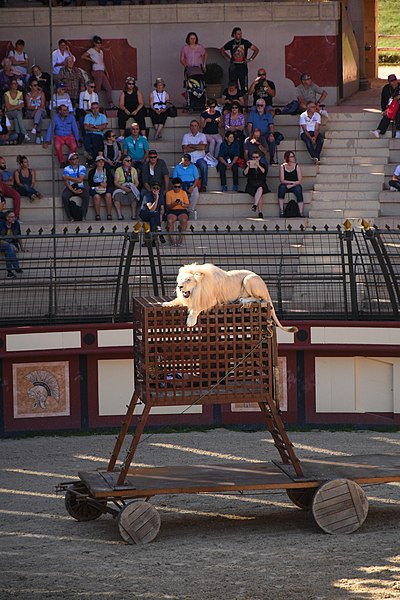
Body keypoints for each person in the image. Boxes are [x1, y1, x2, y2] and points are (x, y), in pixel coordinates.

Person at [220, 27, 259, 93]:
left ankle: (245, 102)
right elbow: (221, 50)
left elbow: (256, 50)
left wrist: (250, 59)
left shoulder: (245, 42)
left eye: (240, 34)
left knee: (244, 86)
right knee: (233, 85)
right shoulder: (231, 43)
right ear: (234, 35)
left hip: (243, 66)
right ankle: (235, 101)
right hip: (233, 67)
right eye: (238, 34)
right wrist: (227, 58)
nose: (240, 35)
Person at [81, 36, 114, 109]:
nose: (99, 44)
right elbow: (83, 56)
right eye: (97, 43)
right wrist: (91, 60)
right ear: (94, 43)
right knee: (97, 88)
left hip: (101, 70)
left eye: (100, 43)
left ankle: (111, 103)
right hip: (96, 70)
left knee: (108, 88)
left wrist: (106, 71)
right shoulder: (91, 50)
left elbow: (102, 62)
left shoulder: (101, 51)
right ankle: (93, 104)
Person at [62, 152, 89, 222]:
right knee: (64, 196)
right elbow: (66, 183)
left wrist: (68, 177)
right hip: (70, 187)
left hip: (80, 187)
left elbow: (80, 180)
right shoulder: (66, 169)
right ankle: (70, 217)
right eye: (74, 159)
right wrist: (74, 191)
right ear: (70, 160)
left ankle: (83, 215)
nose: (76, 160)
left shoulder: (82, 167)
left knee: (86, 196)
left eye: (77, 158)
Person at [370, 74, 400, 138]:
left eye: (395, 80)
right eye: (392, 81)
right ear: (389, 82)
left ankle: (398, 131)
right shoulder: (386, 88)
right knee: (388, 114)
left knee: (397, 112)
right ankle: (378, 131)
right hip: (390, 108)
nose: (394, 82)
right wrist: (383, 110)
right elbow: (383, 100)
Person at [247, 98, 276, 165]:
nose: (259, 107)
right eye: (258, 105)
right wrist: (250, 134)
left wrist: (271, 134)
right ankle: (250, 161)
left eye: (261, 105)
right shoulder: (252, 113)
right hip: (255, 135)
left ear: (264, 106)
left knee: (272, 140)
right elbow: (249, 124)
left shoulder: (268, 114)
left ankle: (271, 159)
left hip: (266, 134)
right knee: (249, 141)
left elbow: (271, 125)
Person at [182, 120, 208, 192]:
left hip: (200, 158)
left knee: (204, 166)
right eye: (192, 125)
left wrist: (191, 146)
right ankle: (188, 186)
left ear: (198, 127)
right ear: (190, 127)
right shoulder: (186, 136)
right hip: (189, 159)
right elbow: (185, 149)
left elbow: (203, 148)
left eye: (195, 125)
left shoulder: (202, 136)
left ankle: (203, 186)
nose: (193, 127)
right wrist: (197, 146)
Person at [113, 156, 140, 220]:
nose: (129, 162)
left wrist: (133, 188)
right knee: (116, 196)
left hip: (131, 186)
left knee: (134, 195)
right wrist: (123, 188)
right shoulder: (118, 170)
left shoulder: (133, 170)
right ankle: (119, 215)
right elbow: (116, 182)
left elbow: (136, 181)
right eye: (127, 161)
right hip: (121, 187)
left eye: (130, 160)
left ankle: (133, 215)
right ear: (123, 161)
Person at [278, 151, 304, 217]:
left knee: (298, 189)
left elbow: (300, 180)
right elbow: (282, 180)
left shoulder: (297, 166)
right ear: (287, 158)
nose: (293, 158)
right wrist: (289, 183)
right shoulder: (282, 166)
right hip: (286, 184)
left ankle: (300, 212)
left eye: (293, 156)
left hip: (294, 184)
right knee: (281, 188)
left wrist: (292, 184)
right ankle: (281, 210)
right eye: (291, 157)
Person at [244, 151, 269, 219]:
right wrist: (248, 166)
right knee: (259, 194)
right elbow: (245, 174)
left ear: (259, 158)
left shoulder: (262, 165)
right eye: (253, 157)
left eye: (256, 157)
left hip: (261, 183)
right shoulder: (249, 165)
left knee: (260, 189)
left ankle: (255, 205)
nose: (255, 159)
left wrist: (258, 166)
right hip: (251, 184)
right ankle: (260, 212)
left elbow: (264, 172)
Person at [4, 78, 29, 144]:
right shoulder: (6, 94)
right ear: (10, 85)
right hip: (8, 114)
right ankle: (24, 133)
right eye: (13, 84)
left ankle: (18, 135)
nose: (15, 85)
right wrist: (17, 106)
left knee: (16, 118)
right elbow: (8, 108)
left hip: (17, 113)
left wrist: (12, 106)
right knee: (17, 114)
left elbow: (21, 107)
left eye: (16, 83)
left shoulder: (20, 93)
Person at [165, 177, 189, 247]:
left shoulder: (184, 193)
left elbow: (187, 205)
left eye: (179, 187)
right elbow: (168, 206)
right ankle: (172, 241)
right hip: (172, 210)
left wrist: (182, 204)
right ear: (173, 186)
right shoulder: (169, 193)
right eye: (176, 187)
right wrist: (175, 204)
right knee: (170, 220)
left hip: (182, 210)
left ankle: (180, 240)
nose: (177, 188)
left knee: (184, 220)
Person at [88, 156, 114, 220]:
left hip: (106, 187)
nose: (101, 162)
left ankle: (109, 214)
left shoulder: (107, 171)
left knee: (108, 195)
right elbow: (90, 183)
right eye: (99, 161)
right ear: (96, 163)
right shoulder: (92, 172)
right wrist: (99, 184)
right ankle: (97, 215)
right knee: (97, 196)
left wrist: (105, 184)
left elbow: (111, 182)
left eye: (102, 161)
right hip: (95, 187)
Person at [0, 210, 23, 278]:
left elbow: (19, 236)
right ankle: (16, 267)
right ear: (7, 218)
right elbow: (0, 239)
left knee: (9, 249)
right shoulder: (1, 224)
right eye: (12, 217)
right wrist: (11, 245)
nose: (14, 218)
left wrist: (22, 248)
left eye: (14, 217)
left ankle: (9, 272)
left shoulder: (16, 224)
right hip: (2, 244)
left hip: (12, 245)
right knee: (9, 247)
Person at [25, 78, 47, 144]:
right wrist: (36, 108)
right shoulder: (28, 95)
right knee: (39, 115)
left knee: (39, 112)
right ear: (30, 86)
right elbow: (28, 106)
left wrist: (36, 109)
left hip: (41, 111)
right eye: (34, 85)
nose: (36, 86)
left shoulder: (41, 94)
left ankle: (35, 126)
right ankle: (38, 134)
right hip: (31, 112)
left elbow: (42, 105)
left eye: (37, 85)